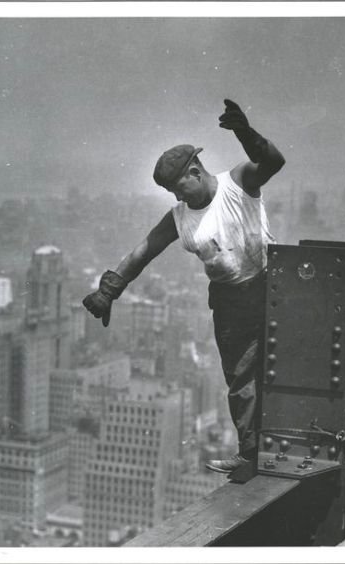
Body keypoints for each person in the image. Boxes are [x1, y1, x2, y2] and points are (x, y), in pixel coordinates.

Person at [83, 99, 285, 473]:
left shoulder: (237, 183)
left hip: (272, 287)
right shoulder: (179, 217)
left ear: (196, 170)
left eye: (180, 188)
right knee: (240, 378)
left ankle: (326, 430)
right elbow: (144, 250)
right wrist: (109, 289)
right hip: (230, 300)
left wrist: (245, 132)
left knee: (290, 363)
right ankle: (251, 453)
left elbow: (273, 162)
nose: (178, 197)